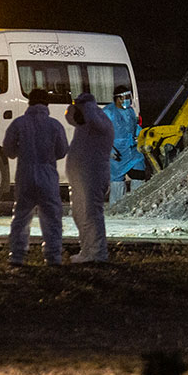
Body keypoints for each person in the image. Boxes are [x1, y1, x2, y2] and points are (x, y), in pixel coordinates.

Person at [3, 88, 68, 266]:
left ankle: (16, 256)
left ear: (29, 102)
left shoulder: (19, 123)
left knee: (21, 217)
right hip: (48, 175)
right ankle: (53, 257)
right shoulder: (55, 125)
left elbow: (8, 150)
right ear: (47, 104)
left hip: (25, 175)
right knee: (52, 219)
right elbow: (62, 151)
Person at [66, 92, 114, 263]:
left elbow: (80, 116)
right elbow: (71, 117)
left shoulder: (94, 118)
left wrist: (82, 108)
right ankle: (87, 251)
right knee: (81, 214)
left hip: (91, 175)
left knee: (91, 213)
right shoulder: (86, 124)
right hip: (84, 176)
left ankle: (97, 253)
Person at [102, 85, 145, 204]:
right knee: (117, 180)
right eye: (126, 97)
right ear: (118, 98)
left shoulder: (130, 111)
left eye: (129, 97)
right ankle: (117, 207)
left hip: (132, 150)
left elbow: (134, 126)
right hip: (117, 152)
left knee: (139, 174)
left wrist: (142, 134)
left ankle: (137, 203)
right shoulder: (108, 113)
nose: (129, 100)